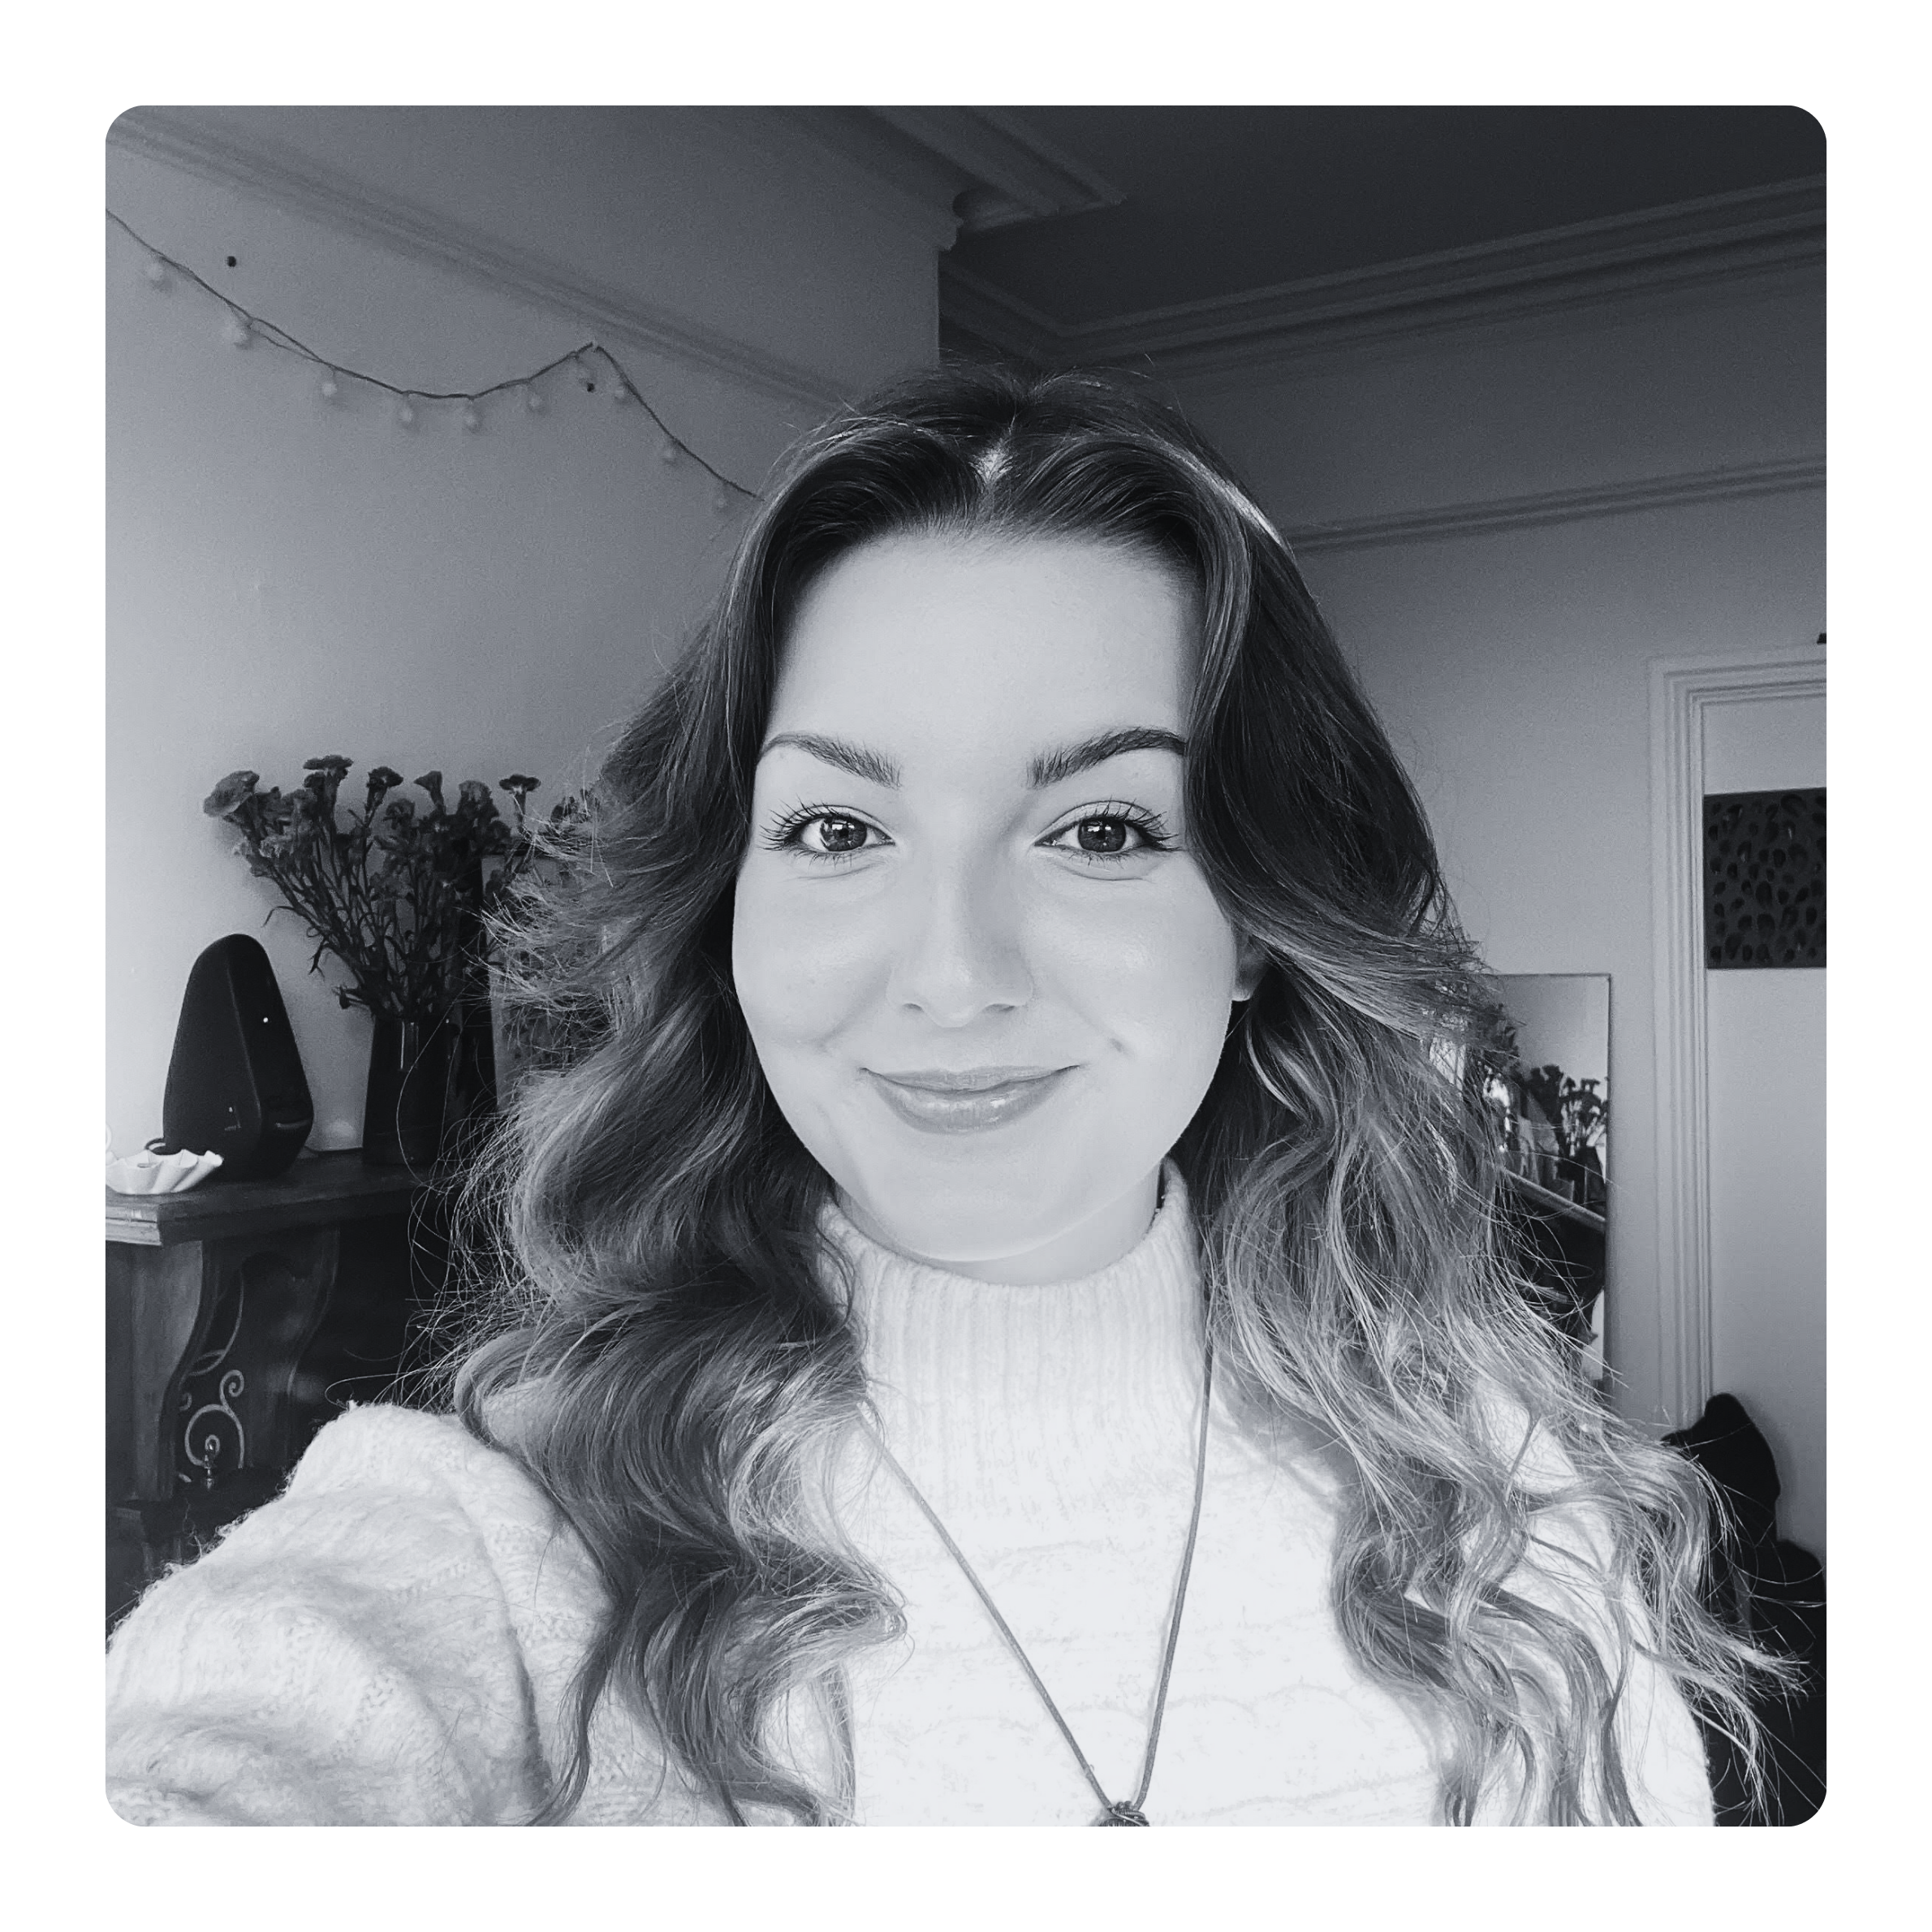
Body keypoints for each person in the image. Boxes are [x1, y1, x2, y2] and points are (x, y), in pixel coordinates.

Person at [107, 364, 1775, 1826]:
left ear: (1257, 924)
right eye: (838, 829)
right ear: (728, 909)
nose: (955, 971)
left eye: (1102, 829)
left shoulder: (1518, 1536)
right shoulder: (505, 1535)